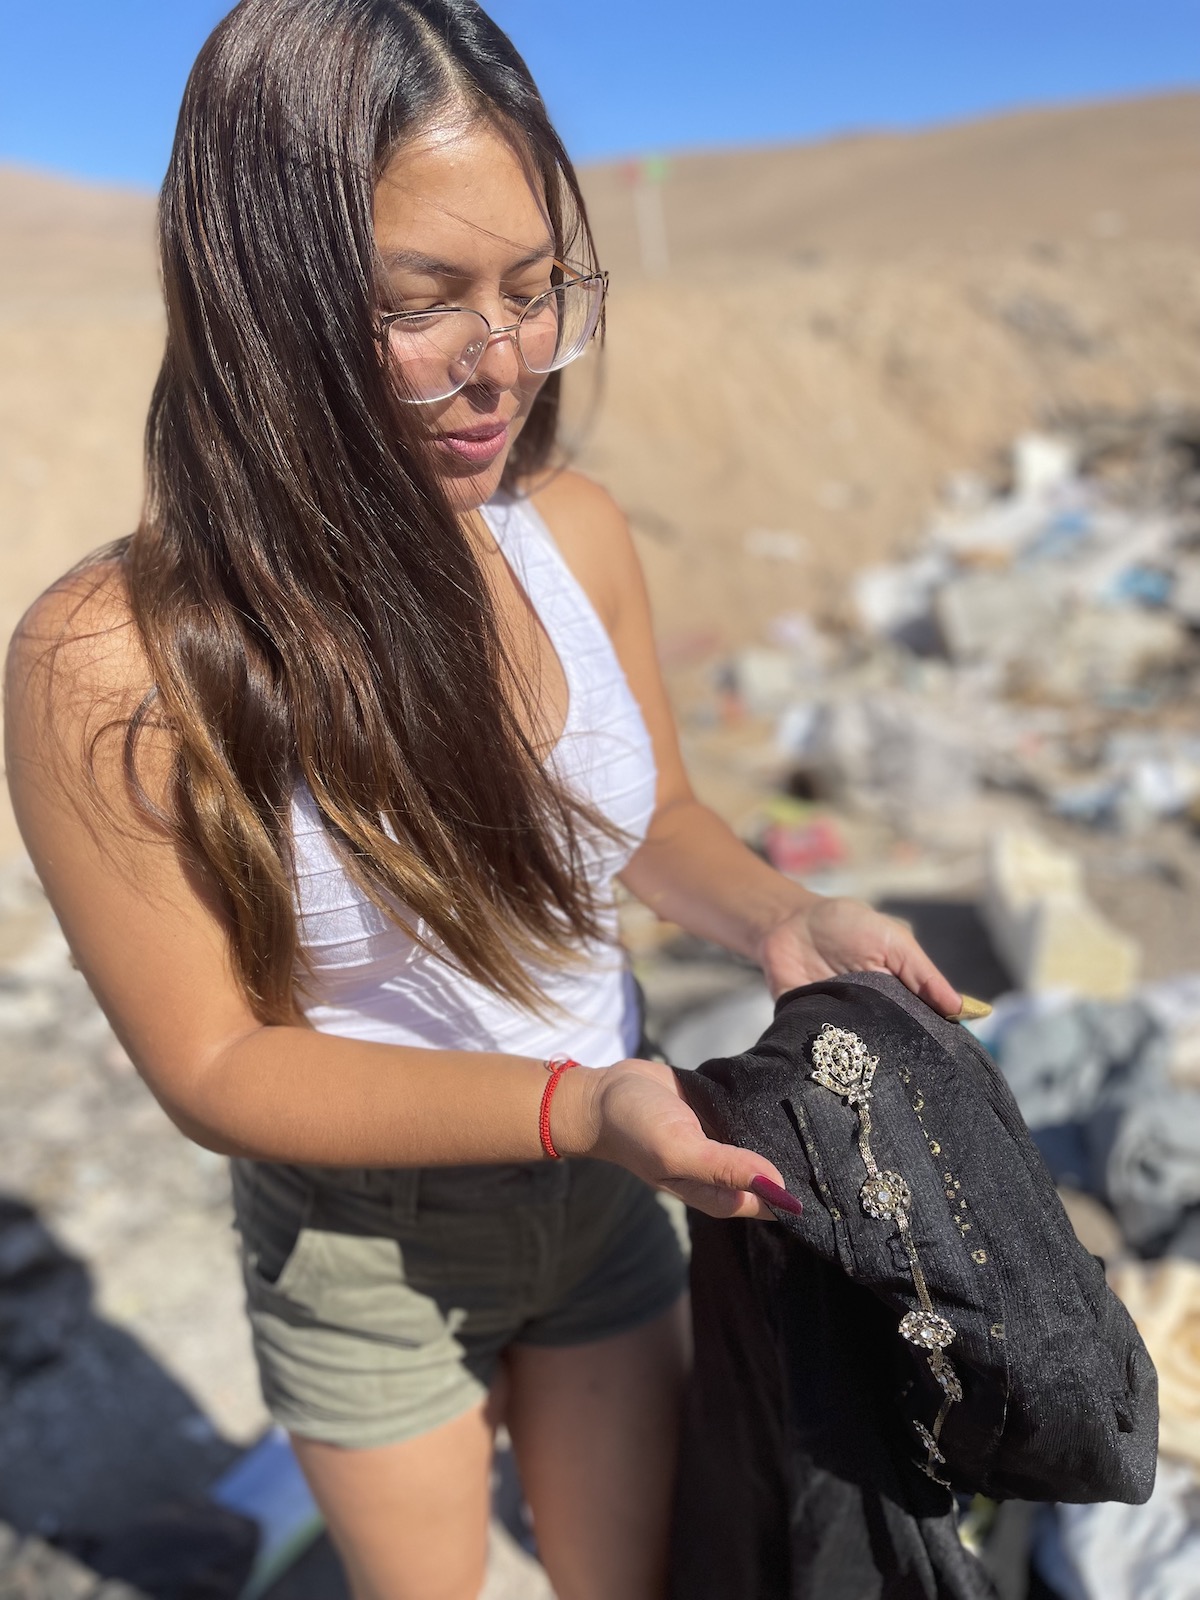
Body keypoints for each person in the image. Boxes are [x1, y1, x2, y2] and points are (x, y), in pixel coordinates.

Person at [3, 3, 961, 1597]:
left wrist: (788, 920)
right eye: (422, 303)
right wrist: (570, 1107)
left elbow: (647, 819)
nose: (498, 361)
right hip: (366, 1239)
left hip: (603, 1192)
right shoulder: (109, 661)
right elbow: (216, 1064)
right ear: (262, 292)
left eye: (532, 293)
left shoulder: (568, 532)